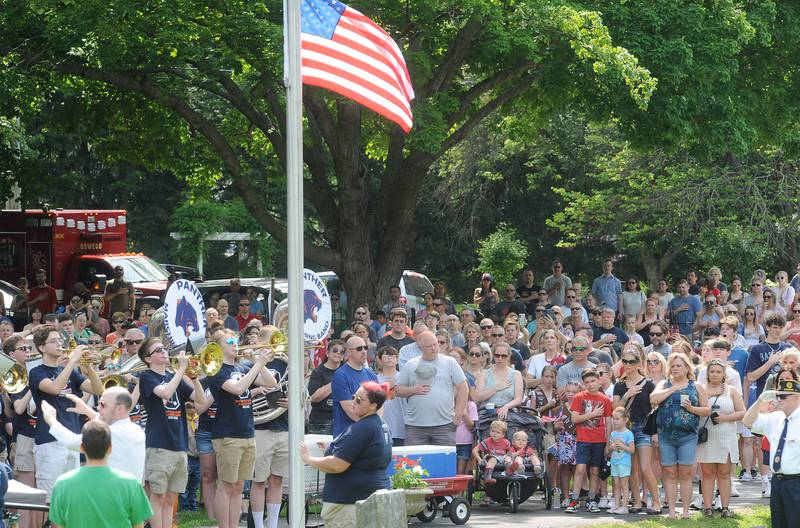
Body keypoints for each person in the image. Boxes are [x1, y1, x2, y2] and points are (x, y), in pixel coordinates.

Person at [206, 329, 276, 528]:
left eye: (236, 340)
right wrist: (259, 364)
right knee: (226, 486)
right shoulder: (216, 370)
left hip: (247, 432)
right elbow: (237, 389)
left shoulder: (245, 367)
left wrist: (256, 362)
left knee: (238, 487)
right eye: (229, 341)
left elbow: (271, 383)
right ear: (217, 347)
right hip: (228, 434)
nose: (235, 343)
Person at [299, 381, 393, 528]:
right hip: (365, 499)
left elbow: (337, 465)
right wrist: (331, 449)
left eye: (359, 400)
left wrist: (308, 458)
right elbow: (366, 457)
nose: (353, 402)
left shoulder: (364, 427)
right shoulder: (380, 424)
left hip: (350, 504)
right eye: (354, 396)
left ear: (373, 406)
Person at [137, 337, 205, 528]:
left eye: (164, 348)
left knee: (170, 497)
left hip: (179, 444)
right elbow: (166, 393)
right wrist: (181, 370)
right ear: (148, 359)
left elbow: (200, 400)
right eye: (158, 350)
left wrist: (194, 377)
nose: (164, 351)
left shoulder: (172, 376)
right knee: (158, 496)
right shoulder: (147, 377)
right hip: (159, 444)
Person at [29, 328, 104, 501]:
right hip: (49, 441)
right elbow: (54, 389)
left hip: (71, 439)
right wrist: (72, 361)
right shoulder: (36, 372)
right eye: (54, 341)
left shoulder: (71, 372)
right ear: (41, 348)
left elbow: (98, 390)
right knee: (51, 498)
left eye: (60, 340)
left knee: (72, 496)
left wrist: (89, 369)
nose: (60, 344)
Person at [49, 421, 152, 528]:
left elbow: (56, 525)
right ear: (110, 448)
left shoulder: (62, 484)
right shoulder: (131, 484)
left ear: (81, 448)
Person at [649, 352, 710, 519]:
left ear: (686, 368)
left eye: (679, 366)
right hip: (666, 436)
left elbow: (707, 410)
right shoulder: (664, 383)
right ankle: (670, 511)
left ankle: (685, 511)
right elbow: (653, 399)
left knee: (685, 474)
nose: (675, 368)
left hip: (688, 436)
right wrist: (673, 388)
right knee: (668, 473)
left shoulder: (695, 386)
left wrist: (692, 409)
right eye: (673, 366)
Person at [40, 386, 147, 482]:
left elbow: (71, 441)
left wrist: (51, 420)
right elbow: (109, 421)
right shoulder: (137, 430)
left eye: (103, 404)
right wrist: (86, 410)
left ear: (120, 409)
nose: (98, 408)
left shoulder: (112, 433)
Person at [743, 378, 800, 528]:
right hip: (777, 481)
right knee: (778, 523)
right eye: (776, 396)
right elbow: (747, 421)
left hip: (797, 482)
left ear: (797, 397)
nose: (778, 399)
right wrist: (760, 400)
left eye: (782, 396)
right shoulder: (775, 418)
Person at [395, 331, 468, 446]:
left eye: (436, 344)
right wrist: (414, 390)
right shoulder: (410, 365)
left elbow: (464, 388)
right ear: (421, 348)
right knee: (414, 463)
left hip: (444, 425)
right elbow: (397, 390)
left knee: (444, 463)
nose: (434, 348)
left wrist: (458, 415)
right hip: (415, 427)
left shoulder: (450, 362)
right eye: (429, 346)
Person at [612, 345, 660, 513]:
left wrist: (655, 432)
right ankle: (638, 502)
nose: (628, 364)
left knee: (646, 468)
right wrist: (627, 395)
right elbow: (615, 410)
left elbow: (654, 410)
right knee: (631, 468)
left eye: (631, 361)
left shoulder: (648, 385)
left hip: (643, 428)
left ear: (639, 363)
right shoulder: (619, 385)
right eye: (625, 361)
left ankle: (656, 502)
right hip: (626, 429)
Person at [696, 359, 745, 518]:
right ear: (707, 373)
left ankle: (725, 508)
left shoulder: (731, 391)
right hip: (707, 436)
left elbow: (743, 412)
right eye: (712, 371)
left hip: (726, 435)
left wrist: (725, 417)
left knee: (724, 473)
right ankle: (708, 507)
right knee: (707, 473)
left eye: (718, 371)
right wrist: (709, 395)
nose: (715, 374)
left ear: (724, 374)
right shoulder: (700, 389)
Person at [564, 368, 612, 514]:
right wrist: (593, 414)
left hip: (599, 440)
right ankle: (574, 499)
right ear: (583, 384)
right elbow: (575, 418)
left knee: (595, 470)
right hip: (583, 439)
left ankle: (592, 499)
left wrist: (608, 442)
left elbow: (609, 422)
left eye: (593, 381)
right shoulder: (579, 397)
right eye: (587, 382)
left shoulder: (605, 400)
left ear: (599, 381)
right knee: (580, 469)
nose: (590, 384)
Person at [331, 336, 378, 437]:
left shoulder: (371, 375)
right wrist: (371, 425)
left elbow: (379, 406)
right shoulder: (340, 375)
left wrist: (375, 425)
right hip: (348, 435)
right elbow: (349, 409)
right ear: (348, 352)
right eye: (359, 348)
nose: (364, 351)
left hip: (369, 433)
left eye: (365, 348)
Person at [473, 341, 524, 419]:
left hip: (508, 414)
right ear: (493, 356)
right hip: (487, 414)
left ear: (509, 356)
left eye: (503, 356)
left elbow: (518, 399)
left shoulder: (516, 374)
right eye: (497, 355)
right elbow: (477, 397)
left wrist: (506, 406)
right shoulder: (484, 373)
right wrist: (496, 388)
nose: (500, 358)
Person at [307, 340, 344, 434]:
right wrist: (335, 382)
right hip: (321, 422)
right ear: (327, 353)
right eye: (335, 350)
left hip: (342, 420)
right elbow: (313, 398)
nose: (338, 353)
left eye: (342, 351)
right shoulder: (318, 372)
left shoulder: (346, 371)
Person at [374, 346, 407, 445]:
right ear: (379, 360)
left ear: (397, 360)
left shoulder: (404, 377)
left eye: (392, 356)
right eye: (385, 355)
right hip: (382, 425)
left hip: (401, 425)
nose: (389, 358)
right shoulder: (374, 378)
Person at [606, 407, 635, 515]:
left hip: (624, 463)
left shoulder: (628, 434)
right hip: (614, 462)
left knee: (624, 485)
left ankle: (624, 507)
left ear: (625, 420)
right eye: (613, 418)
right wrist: (611, 447)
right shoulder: (613, 434)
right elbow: (609, 450)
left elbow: (632, 450)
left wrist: (622, 446)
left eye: (617, 419)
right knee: (616, 485)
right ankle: (617, 506)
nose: (614, 421)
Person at [472, 420, 511, 485]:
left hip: (502, 459)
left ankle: (509, 471)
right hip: (490, 458)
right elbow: (474, 450)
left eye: (498, 432)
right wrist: (479, 459)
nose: (494, 433)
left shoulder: (506, 442)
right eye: (493, 431)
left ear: (503, 435)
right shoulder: (487, 442)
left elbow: (510, 451)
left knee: (508, 458)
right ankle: (487, 477)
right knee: (493, 459)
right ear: (490, 432)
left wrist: (508, 456)